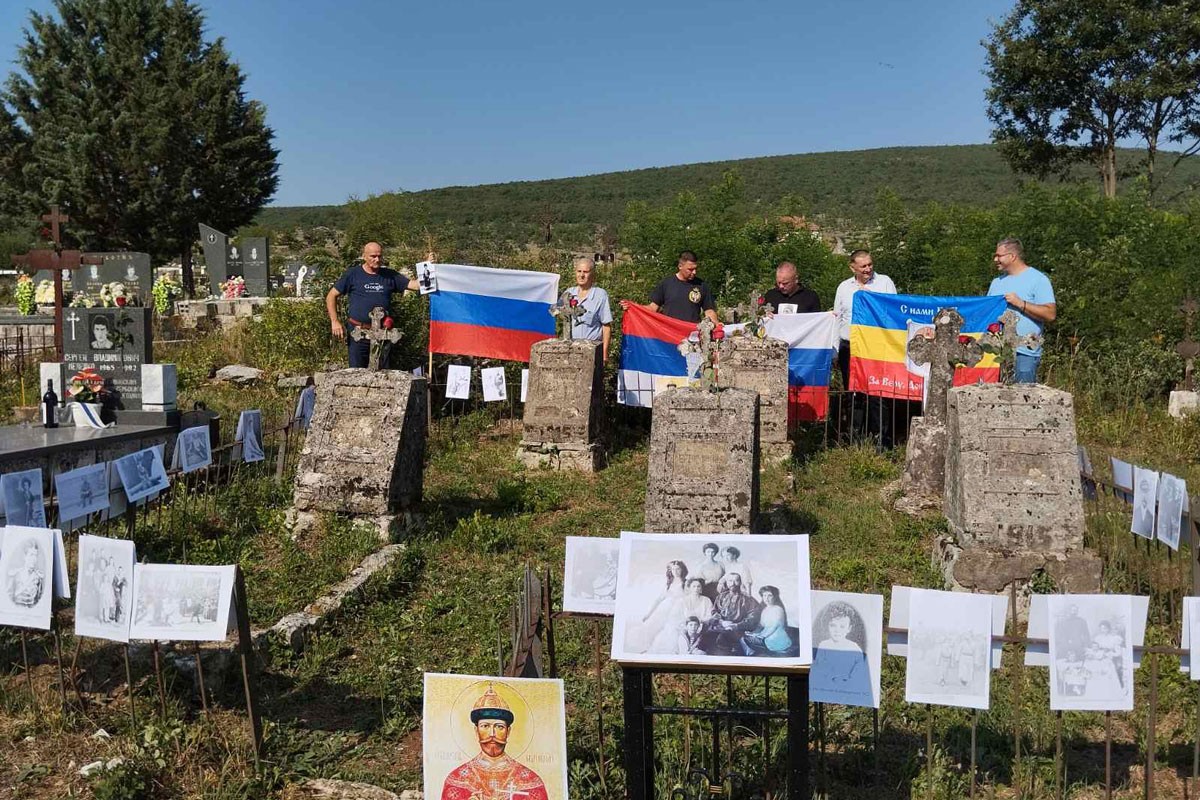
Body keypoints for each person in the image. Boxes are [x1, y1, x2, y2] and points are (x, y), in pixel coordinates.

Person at [832, 250, 898, 447]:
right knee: (853, 393)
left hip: (877, 345)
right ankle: (855, 440)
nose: (868, 269)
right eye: (863, 266)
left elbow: (894, 310)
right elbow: (837, 318)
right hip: (850, 347)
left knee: (879, 393)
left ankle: (881, 440)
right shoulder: (844, 288)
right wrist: (835, 350)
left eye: (870, 264)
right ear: (853, 267)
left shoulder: (884, 282)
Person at [440, 684, 549, 800]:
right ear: (476, 731)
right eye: (485, 726)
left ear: (508, 731)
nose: (492, 734)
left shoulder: (530, 781)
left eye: (499, 727)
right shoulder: (457, 780)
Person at [326, 242, 422, 368]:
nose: (377, 259)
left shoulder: (389, 275)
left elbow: (415, 285)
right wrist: (334, 321)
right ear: (364, 256)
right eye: (373, 256)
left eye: (379, 256)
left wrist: (429, 267)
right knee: (356, 374)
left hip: (382, 334)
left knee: (382, 374)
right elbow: (331, 296)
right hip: (358, 333)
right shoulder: (353, 274)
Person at [987, 238, 1056, 383]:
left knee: (1023, 400)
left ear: (1012, 256)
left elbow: (1050, 314)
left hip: (1024, 353)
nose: (995, 259)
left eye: (999, 256)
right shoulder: (996, 282)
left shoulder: (1038, 279)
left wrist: (1021, 303)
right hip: (996, 353)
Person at [621, 250, 719, 324]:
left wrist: (716, 325)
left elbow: (709, 311)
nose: (694, 272)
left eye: (695, 269)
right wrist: (632, 307)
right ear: (680, 266)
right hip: (669, 334)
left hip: (692, 336)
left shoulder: (701, 285)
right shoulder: (666, 284)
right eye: (690, 269)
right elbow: (652, 308)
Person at [564, 256, 613, 360]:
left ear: (592, 274)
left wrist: (604, 353)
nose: (582, 275)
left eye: (585, 272)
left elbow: (606, 326)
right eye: (579, 271)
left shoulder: (600, 295)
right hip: (571, 350)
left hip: (592, 351)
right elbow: (554, 311)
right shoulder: (568, 293)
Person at [703, 573, 762, 655]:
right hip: (721, 626)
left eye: (736, 580)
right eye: (730, 581)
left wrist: (736, 625)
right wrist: (721, 622)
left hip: (739, 630)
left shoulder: (748, 599)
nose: (733, 583)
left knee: (723, 639)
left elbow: (753, 618)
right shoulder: (721, 597)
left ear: (740, 582)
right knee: (706, 637)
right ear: (727, 582)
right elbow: (714, 612)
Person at [740, 586, 794, 656]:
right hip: (765, 637)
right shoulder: (765, 610)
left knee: (744, 640)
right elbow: (761, 626)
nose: (766, 598)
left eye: (770, 595)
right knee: (743, 638)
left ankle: (751, 655)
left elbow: (774, 626)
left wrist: (760, 636)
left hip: (777, 639)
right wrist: (752, 633)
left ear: (775, 597)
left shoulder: (778, 609)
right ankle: (751, 655)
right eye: (764, 595)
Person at [9, 539, 45, 608]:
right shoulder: (15, 576)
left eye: (35, 555)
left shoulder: (38, 578)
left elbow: (40, 600)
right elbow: (7, 598)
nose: (34, 559)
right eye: (31, 555)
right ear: (25, 557)